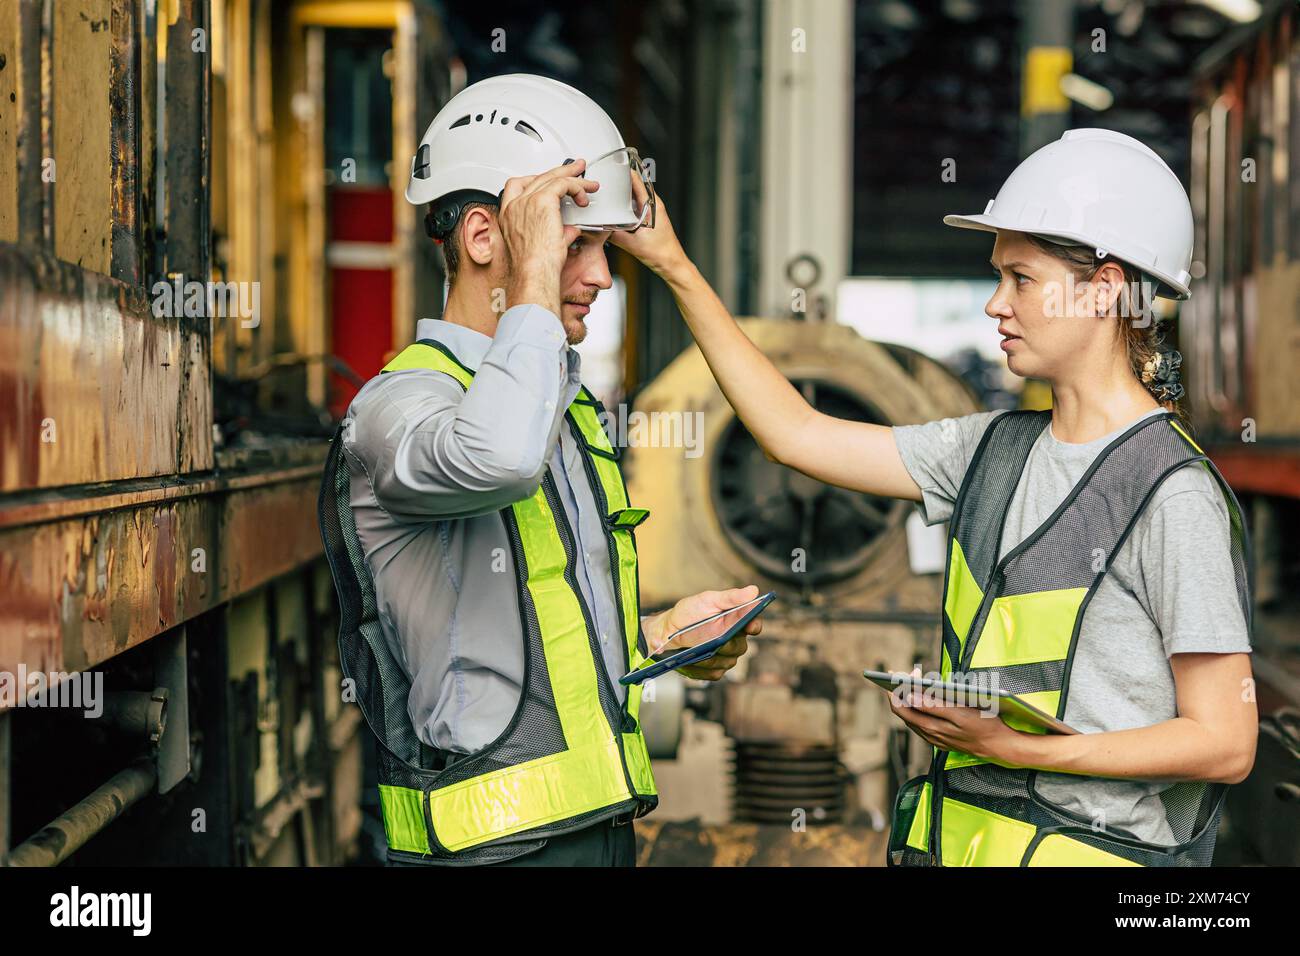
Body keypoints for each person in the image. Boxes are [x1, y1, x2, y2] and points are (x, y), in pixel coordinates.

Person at [611, 128, 1256, 866]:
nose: (995, 305)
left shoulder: (1172, 493)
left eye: (1020, 278)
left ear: (1104, 288)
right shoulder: (989, 449)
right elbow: (796, 436)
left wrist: (1014, 747)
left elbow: (1225, 742)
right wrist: (676, 268)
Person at [318, 74, 761, 867]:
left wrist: (656, 636)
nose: (598, 276)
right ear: (487, 237)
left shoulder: (556, 404)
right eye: (574, 244)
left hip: (598, 831)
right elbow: (498, 458)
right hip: (493, 853)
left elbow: (531, 628)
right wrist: (530, 281)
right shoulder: (397, 408)